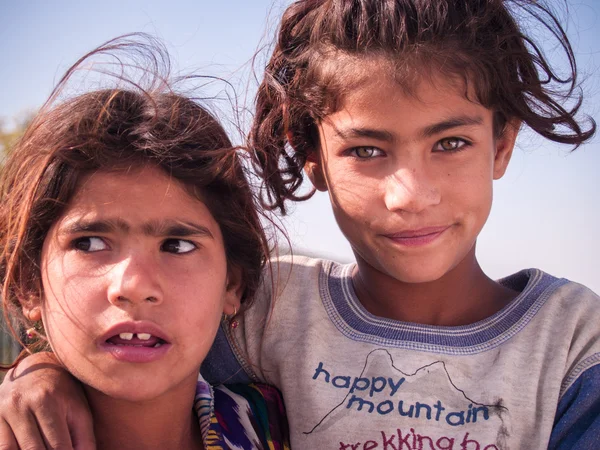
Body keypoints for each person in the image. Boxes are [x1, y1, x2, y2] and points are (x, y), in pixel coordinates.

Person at [1, 0, 598, 449]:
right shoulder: (274, 310)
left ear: (501, 145)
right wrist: (40, 370)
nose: (410, 195)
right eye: (366, 150)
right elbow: (129, 345)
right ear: (312, 155)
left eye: (451, 142)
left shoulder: (571, 345)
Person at [0, 35, 289, 450]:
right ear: (29, 282)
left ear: (233, 285)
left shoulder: (274, 423)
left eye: (178, 246)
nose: (134, 285)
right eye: (90, 243)